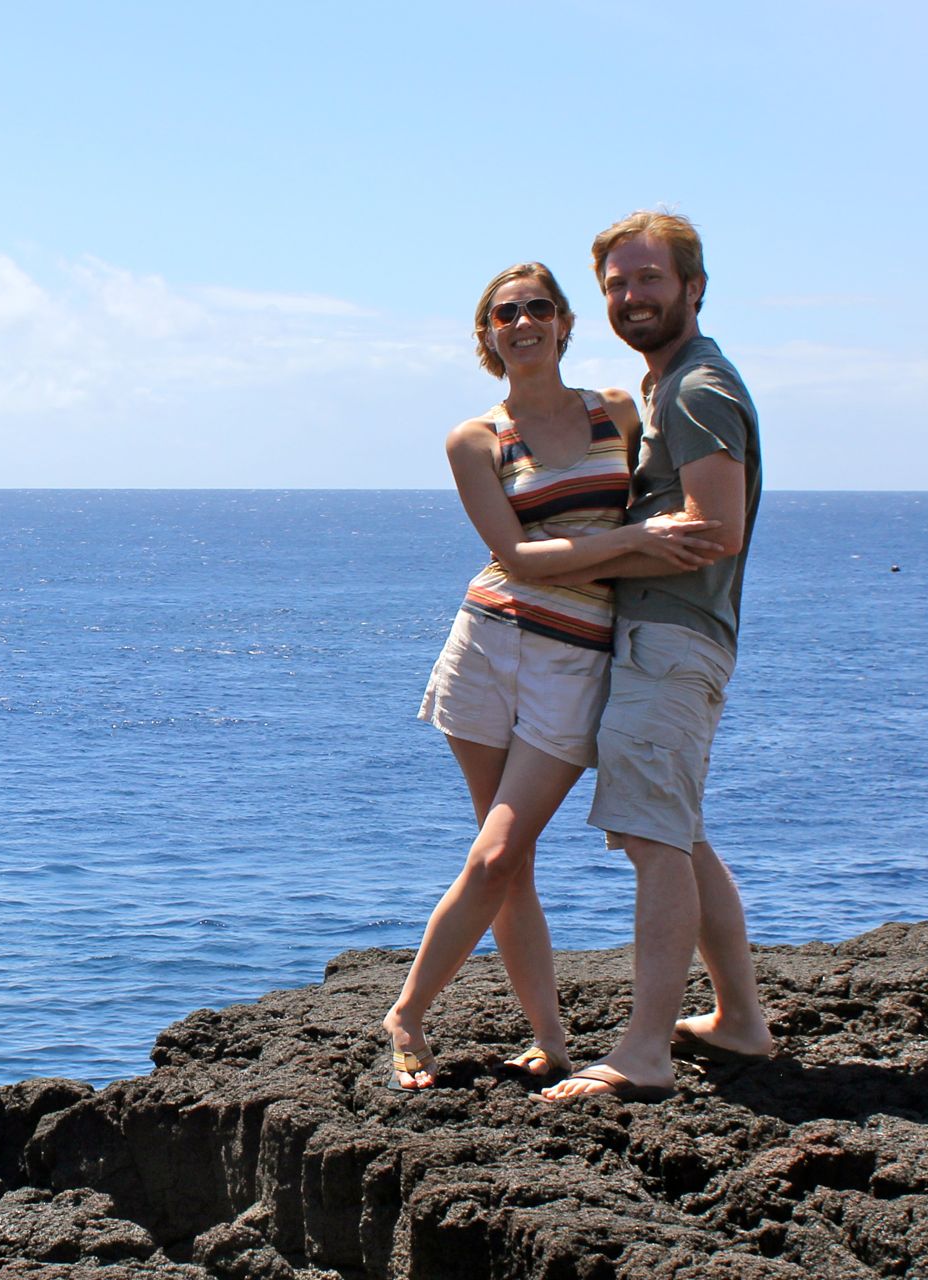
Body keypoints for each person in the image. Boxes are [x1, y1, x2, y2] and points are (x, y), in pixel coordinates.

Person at [383, 261, 723, 1090]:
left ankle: (405, 1012)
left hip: (576, 660)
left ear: (566, 324)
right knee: (509, 862)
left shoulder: (615, 411)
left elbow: (676, 492)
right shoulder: (475, 438)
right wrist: (632, 547)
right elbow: (518, 557)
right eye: (505, 313)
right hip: (487, 643)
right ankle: (552, 1038)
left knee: (499, 852)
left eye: (539, 308)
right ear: (487, 335)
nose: (523, 321)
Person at [537, 211, 776, 1105]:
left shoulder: (695, 389)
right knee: (679, 831)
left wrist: (590, 551)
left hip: (671, 640)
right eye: (616, 285)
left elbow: (717, 528)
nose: (632, 298)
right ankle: (741, 1021)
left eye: (650, 280)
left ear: (694, 288)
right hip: (671, 635)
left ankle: (643, 1051)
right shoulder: (672, 383)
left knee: (651, 838)